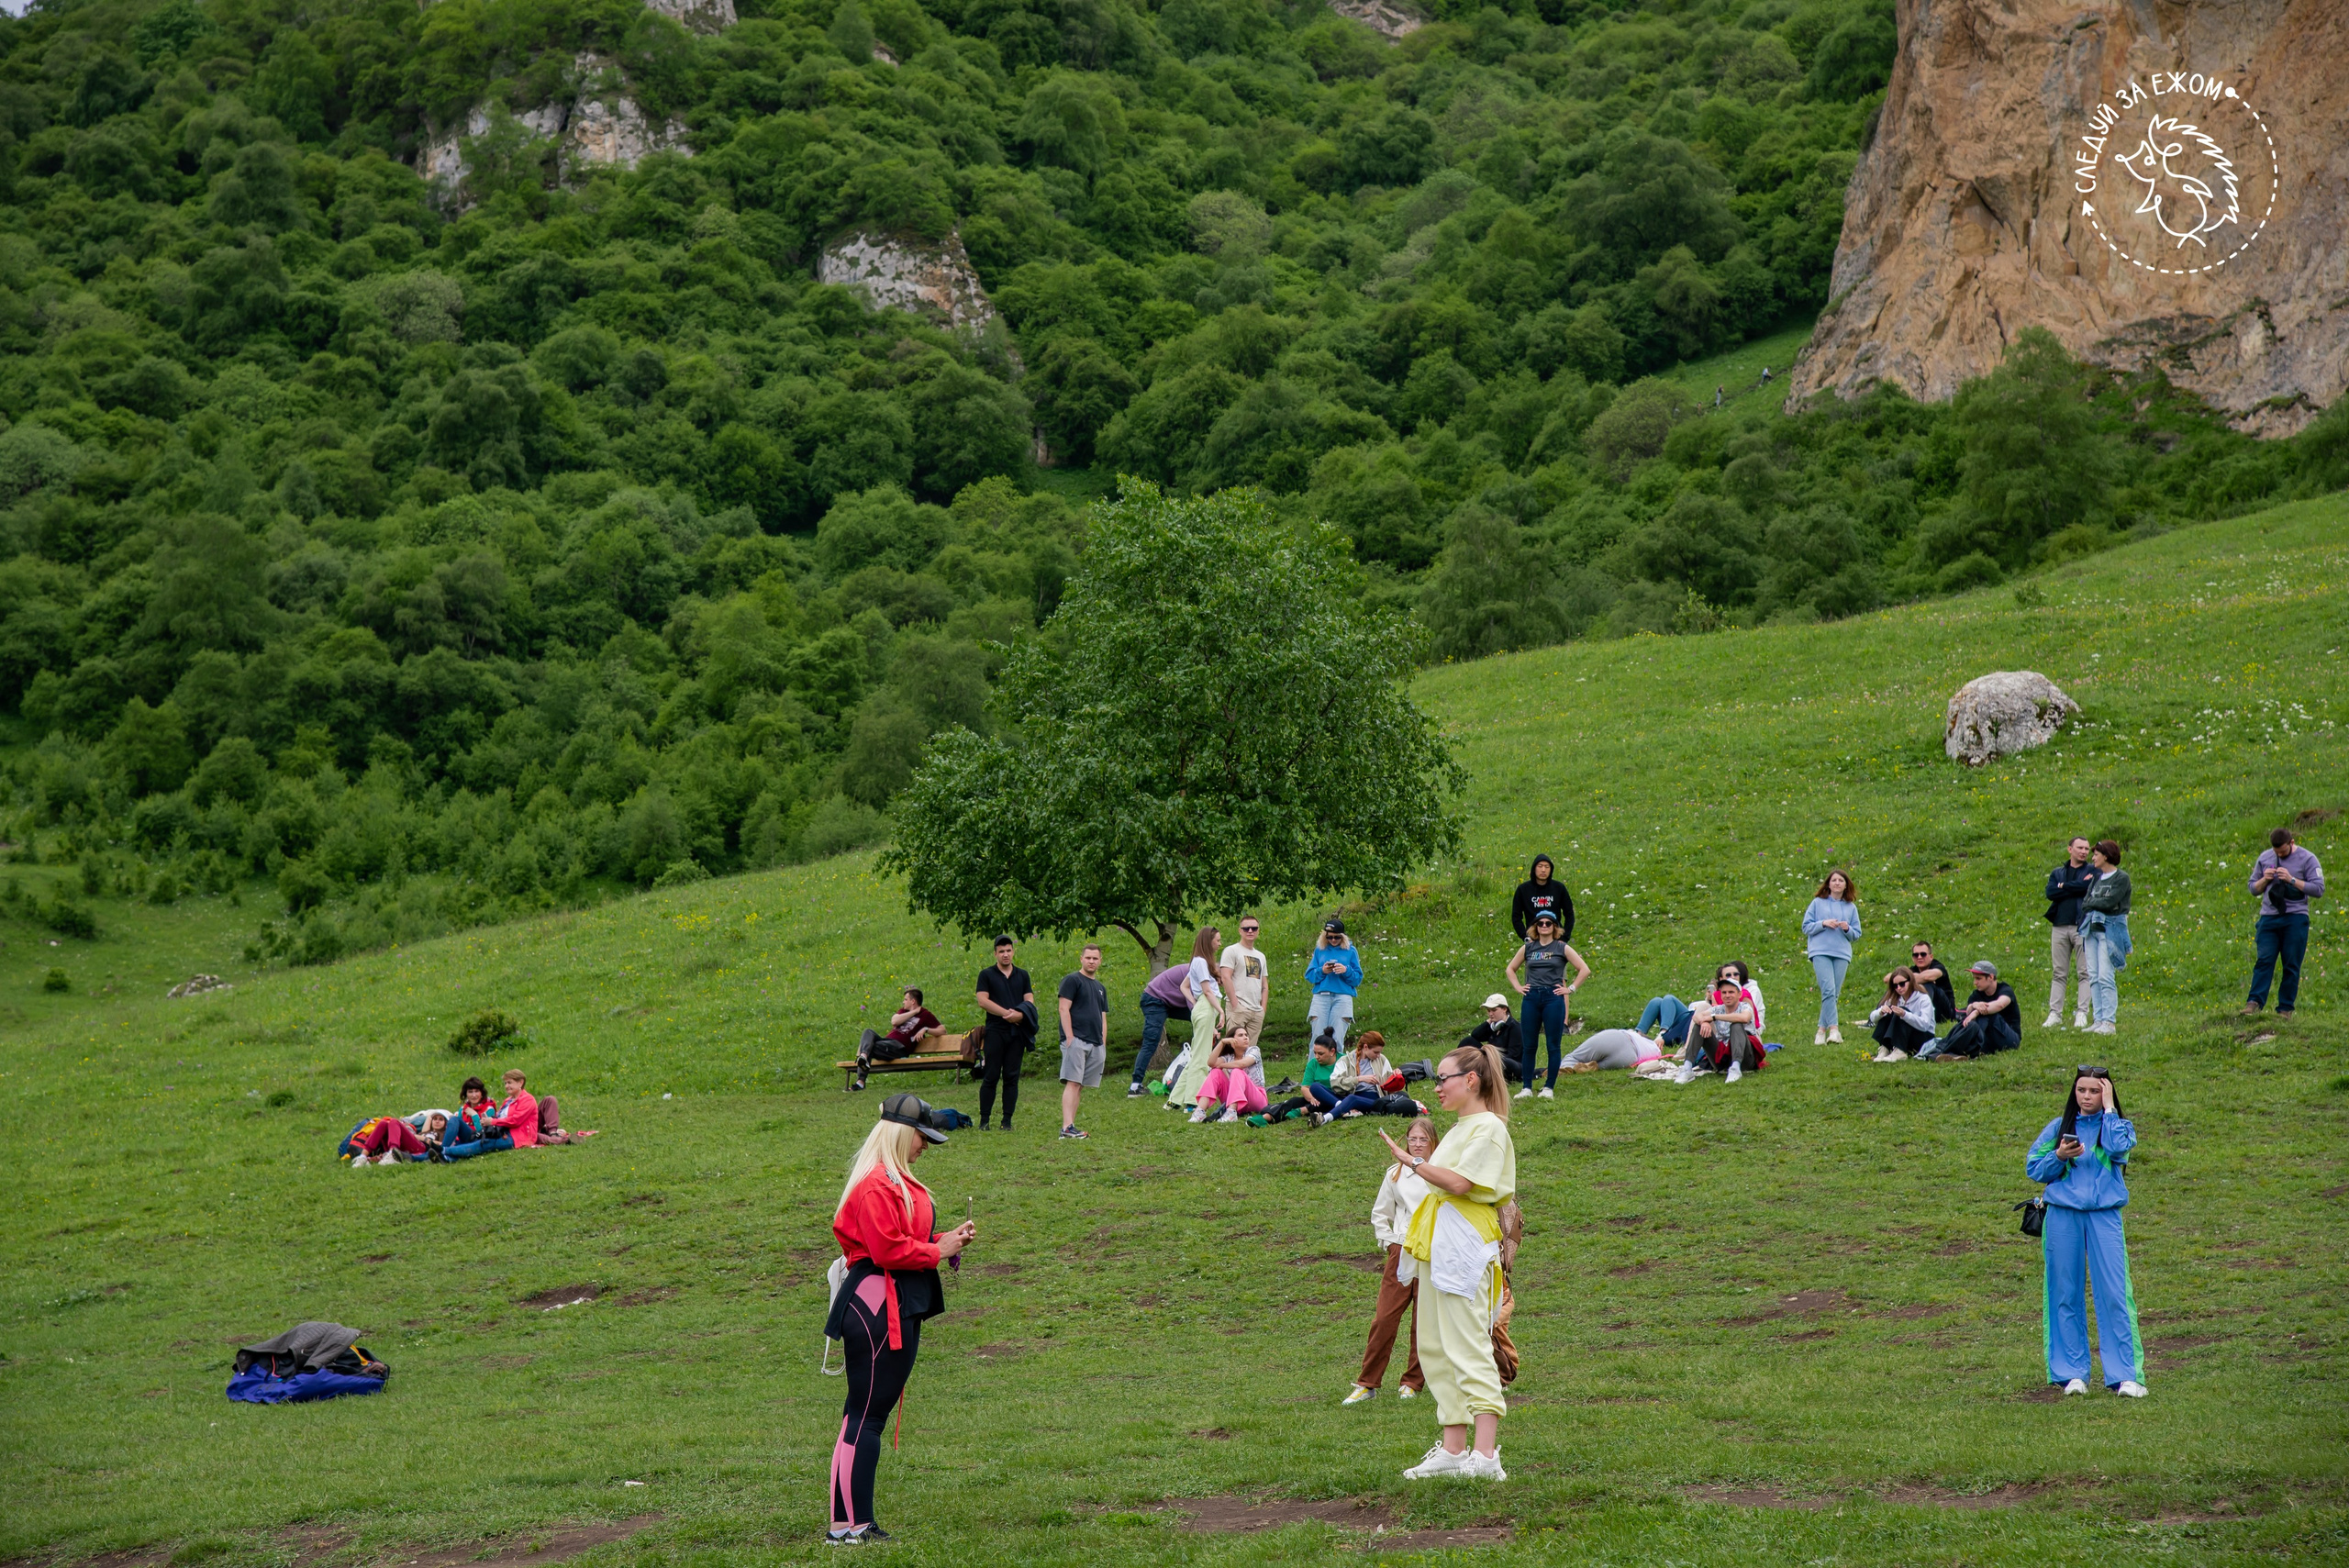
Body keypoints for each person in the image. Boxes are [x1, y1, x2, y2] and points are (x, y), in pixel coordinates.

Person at [824, 1093, 975, 1544]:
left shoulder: (891, 1181)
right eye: (921, 1138)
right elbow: (888, 1249)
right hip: (875, 1304)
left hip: (889, 1300)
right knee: (865, 1417)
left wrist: (941, 1241)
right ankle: (853, 1526)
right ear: (899, 1133)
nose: (924, 1146)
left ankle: (846, 1524)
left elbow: (900, 1239)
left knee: (863, 1415)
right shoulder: (876, 1183)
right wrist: (938, 1249)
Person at [1378, 1041, 1516, 1481]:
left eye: (1444, 1078)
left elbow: (1459, 1183)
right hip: (1439, 1243)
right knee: (1434, 1346)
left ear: (1470, 1080)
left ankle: (1486, 1456)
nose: (1437, 1086)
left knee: (1468, 1344)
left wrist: (1413, 1162)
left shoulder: (1489, 1128)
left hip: (1464, 1242)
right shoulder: (1459, 1128)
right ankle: (1454, 1452)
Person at [2025, 1067, 2144, 1397]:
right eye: (2081, 1090)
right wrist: (2059, 1156)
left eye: (2094, 1091)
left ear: (2105, 1093)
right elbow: (2033, 1166)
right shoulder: (2059, 1128)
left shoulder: (2118, 1126)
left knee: (2114, 1294)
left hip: (2105, 1217)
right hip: (2062, 1217)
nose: (2086, 1096)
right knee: (2064, 1292)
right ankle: (2071, 1374)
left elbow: (2120, 1147)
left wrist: (2109, 1109)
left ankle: (2127, 1376)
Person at [1343, 1115, 1433, 1406]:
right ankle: (1367, 1383)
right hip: (1402, 1251)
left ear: (1433, 1143)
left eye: (1423, 1140)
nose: (1417, 1145)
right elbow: (1381, 1213)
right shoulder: (1395, 1174)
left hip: (1433, 1254)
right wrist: (1390, 1241)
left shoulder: (1441, 1173)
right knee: (1384, 1318)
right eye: (1413, 1139)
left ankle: (1412, 1382)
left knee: (1424, 1321)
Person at [1505, 911, 1587, 1099]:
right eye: (1540, 923)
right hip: (1531, 997)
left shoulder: (1562, 947)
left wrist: (1571, 989)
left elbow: (1584, 969)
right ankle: (1526, 1087)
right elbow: (1510, 968)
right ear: (1535, 927)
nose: (1544, 926)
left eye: (1548, 923)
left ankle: (1549, 1087)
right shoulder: (1528, 947)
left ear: (1554, 927)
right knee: (1529, 1044)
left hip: (1553, 997)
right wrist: (1518, 987)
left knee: (1553, 1044)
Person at [2246, 828, 2322, 1017]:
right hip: (2269, 918)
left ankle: (2285, 1009)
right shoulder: (2265, 858)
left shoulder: (2308, 859)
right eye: (2276, 852)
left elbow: (2318, 889)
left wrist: (2292, 879)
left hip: (2295, 918)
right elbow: (2252, 888)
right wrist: (2265, 879)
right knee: (2264, 960)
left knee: (2291, 963)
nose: (2279, 855)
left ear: (2292, 843)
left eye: (2283, 851)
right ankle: (2254, 1002)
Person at [974, 936, 1036, 1132]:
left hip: (1017, 1032)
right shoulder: (987, 975)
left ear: (1013, 951)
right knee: (991, 1076)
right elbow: (982, 1001)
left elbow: (1030, 1001)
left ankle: (1006, 1121)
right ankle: (984, 1120)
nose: (1006, 954)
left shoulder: (1023, 975)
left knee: (1012, 1077)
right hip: (995, 1031)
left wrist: (1019, 1015)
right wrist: (1005, 1013)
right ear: (995, 954)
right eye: (1001, 951)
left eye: (1008, 950)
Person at [1163, 927, 1227, 1111]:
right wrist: (1220, 1011)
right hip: (1207, 1007)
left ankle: (1174, 1100)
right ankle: (1192, 1102)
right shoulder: (1200, 962)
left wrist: (1195, 1002)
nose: (1219, 944)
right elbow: (1207, 991)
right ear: (1208, 941)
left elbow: (1184, 986)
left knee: (1196, 1055)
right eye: (1217, 940)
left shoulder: (1198, 962)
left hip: (1203, 1007)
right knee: (1202, 1057)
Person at [1056, 944, 1110, 1141]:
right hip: (1076, 1040)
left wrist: (1102, 1042)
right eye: (1088, 958)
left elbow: (1102, 1017)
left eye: (1095, 958)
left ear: (1100, 961)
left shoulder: (1100, 988)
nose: (1091, 961)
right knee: (1072, 1082)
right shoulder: (1072, 980)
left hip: (1095, 1043)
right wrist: (1069, 1038)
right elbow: (1064, 1009)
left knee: (1080, 1085)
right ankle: (1066, 1127)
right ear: (1081, 959)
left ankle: (1071, 1125)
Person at [1801, 870, 1861, 1044]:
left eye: (1840, 880)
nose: (1837, 883)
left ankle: (1821, 1031)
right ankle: (1834, 1030)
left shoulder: (1851, 907)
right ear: (1828, 884)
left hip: (1842, 953)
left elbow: (1856, 934)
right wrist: (1823, 923)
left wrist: (1847, 928)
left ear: (1845, 885)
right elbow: (1806, 927)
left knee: (1833, 994)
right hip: (1820, 952)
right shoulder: (1817, 903)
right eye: (1833, 880)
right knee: (1828, 989)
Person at [2078, 841, 2131, 1037]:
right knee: (2093, 975)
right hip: (2092, 930)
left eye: (2096, 854)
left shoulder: (2121, 878)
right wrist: (2095, 904)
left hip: (2110, 930)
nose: (2092, 858)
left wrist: (2094, 903)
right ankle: (2098, 1019)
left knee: (2105, 976)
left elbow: (2110, 902)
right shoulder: (2097, 878)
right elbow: (2085, 904)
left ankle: (2109, 1022)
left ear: (2106, 856)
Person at [2043, 837, 2097, 1029]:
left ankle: (2082, 1013)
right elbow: (2050, 892)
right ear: (2069, 849)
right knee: (2059, 972)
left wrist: (2063, 887)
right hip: (2059, 926)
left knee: (2084, 972)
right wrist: (2072, 887)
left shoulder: (2092, 870)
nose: (2084, 852)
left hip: (2081, 926)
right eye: (2080, 848)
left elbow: (2087, 887)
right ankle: (2054, 1014)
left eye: (2087, 849)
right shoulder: (2058, 872)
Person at [1672, 964, 1757, 1084]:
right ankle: (1687, 1068)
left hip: (1745, 1058)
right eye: (1724, 993)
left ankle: (1736, 1068)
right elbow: (1697, 1016)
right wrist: (1704, 1022)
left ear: (1739, 994)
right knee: (1699, 1025)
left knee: (1736, 1025)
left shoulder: (1744, 1006)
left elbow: (1744, 1018)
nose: (1727, 995)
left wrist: (1713, 1017)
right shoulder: (1718, 1009)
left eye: (1731, 992)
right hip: (1721, 1056)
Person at [1921, 962, 2022, 1059]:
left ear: (1991, 977)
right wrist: (1974, 1005)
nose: (1975, 983)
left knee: (1987, 1014)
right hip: (1988, 1040)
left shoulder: (2004, 990)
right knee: (1970, 1023)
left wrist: (1977, 1011)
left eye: (1978, 978)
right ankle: (1947, 1049)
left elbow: (2000, 1005)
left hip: (2010, 1039)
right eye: (1974, 979)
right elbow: (1969, 1011)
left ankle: (1949, 1049)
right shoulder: (1976, 994)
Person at [854, 988, 944, 1091]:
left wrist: (926, 1029)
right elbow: (894, 1021)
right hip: (887, 1044)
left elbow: (942, 1030)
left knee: (869, 1047)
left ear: (913, 1001)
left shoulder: (925, 1015)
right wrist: (914, 1012)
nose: (903, 1002)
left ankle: (860, 1081)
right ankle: (863, 1057)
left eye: (906, 999)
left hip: (899, 1047)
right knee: (868, 1032)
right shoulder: (903, 1011)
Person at [1130, 958, 1194, 1096]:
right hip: (1154, 999)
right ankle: (1135, 1087)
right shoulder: (1200, 971)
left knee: (1202, 1020)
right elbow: (1192, 1001)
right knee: (1151, 1041)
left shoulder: (1206, 971)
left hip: (1168, 1001)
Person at [1256, 1033, 1340, 1125]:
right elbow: (1305, 1087)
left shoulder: (1343, 1061)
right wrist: (1312, 1099)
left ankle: (1303, 1110)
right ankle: (1266, 1117)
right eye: (1315, 1053)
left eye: (1320, 1054)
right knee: (1294, 1101)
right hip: (1316, 1098)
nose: (1316, 1057)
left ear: (1332, 1052)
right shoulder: (1313, 1064)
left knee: (1325, 1101)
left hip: (1337, 1097)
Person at [1306, 919, 1362, 1052]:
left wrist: (1345, 970)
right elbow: (1310, 976)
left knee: (1337, 1039)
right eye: (1329, 937)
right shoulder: (1320, 950)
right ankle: (1314, 1072)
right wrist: (1322, 971)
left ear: (1342, 936)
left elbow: (1357, 979)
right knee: (1317, 1038)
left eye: (1337, 937)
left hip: (1342, 996)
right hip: (1321, 996)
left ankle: (1337, 1072)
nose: (1333, 940)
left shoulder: (1350, 951)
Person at [1218, 917, 1272, 1052]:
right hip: (1239, 1007)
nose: (1250, 931)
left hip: (1256, 1010)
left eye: (1254, 928)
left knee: (1250, 1052)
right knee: (1231, 1049)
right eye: (1246, 928)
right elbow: (1225, 977)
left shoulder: (1261, 956)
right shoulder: (1232, 951)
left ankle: (1244, 1074)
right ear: (1239, 931)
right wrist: (1235, 1005)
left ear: (1258, 931)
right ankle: (1227, 1074)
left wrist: (1262, 1009)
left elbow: (1264, 984)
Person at [1190, 1030, 1267, 1123]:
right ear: (1232, 1040)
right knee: (1215, 1072)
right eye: (1241, 1035)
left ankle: (1231, 1113)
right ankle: (1199, 1112)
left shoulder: (1254, 1050)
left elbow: (1242, 1064)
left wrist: (1223, 1065)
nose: (1245, 1037)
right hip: (1235, 1098)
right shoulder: (1228, 1057)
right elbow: (1211, 1063)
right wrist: (1222, 1042)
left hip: (1257, 1100)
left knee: (1237, 1071)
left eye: (1246, 1035)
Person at [1325, 1030, 1398, 1119]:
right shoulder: (1346, 1060)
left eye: (1380, 1052)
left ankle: (1325, 1118)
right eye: (1376, 1052)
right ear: (1366, 1047)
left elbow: (1391, 1088)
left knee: (1352, 1099)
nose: (1378, 1055)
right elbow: (1335, 1083)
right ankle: (1344, 1106)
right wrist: (1359, 1079)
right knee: (1315, 1087)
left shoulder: (1382, 1060)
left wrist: (1397, 1076)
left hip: (1372, 1099)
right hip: (1349, 1095)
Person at [1867, 967, 1936, 1062]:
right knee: (1888, 1012)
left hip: (1924, 1039)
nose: (1899, 988)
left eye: (1902, 984)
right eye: (1895, 986)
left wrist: (1905, 1014)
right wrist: (1881, 1012)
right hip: (1905, 1038)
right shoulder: (1895, 998)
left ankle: (1900, 1051)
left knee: (1901, 1013)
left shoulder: (1923, 998)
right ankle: (1885, 1048)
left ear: (1910, 981)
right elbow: (1873, 1019)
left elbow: (1925, 1025)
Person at [443, 1077, 511, 1161]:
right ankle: (441, 1152)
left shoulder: (489, 1109)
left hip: (478, 1140)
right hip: (464, 1140)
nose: (474, 1095)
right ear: (466, 1094)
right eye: (470, 1092)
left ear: (482, 1093)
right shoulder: (463, 1109)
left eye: (476, 1091)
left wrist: (474, 1116)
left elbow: (484, 1132)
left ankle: (441, 1151)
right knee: (454, 1119)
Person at [1509, 854, 1574, 943]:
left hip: (1555, 938)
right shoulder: (1523, 890)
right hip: (1533, 938)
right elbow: (1516, 917)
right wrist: (1525, 937)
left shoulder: (1559, 888)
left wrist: (1564, 938)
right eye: (1540, 866)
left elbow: (1569, 914)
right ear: (1534, 869)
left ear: (1551, 869)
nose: (1543, 870)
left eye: (1547, 867)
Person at [1458, 995, 1524, 1079]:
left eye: (1494, 1010)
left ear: (1504, 1009)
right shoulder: (1494, 1026)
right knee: (1467, 1041)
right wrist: (1488, 1022)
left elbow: (1513, 1055)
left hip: (1510, 1065)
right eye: (1488, 1011)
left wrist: (1490, 1058)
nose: (1490, 1014)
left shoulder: (1515, 1027)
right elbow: (1475, 1035)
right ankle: (1460, 1070)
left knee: (1504, 1061)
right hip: (1491, 1060)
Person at [343, 1111, 442, 1165]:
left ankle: (391, 1154)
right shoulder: (425, 1130)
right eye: (435, 1119)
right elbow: (429, 1117)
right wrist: (423, 1136)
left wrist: (427, 1140)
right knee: (383, 1123)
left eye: (441, 1120)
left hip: (420, 1148)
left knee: (394, 1122)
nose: (437, 1121)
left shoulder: (443, 1134)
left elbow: (443, 1146)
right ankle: (363, 1157)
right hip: (408, 1143)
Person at [1560, 1027, 1664, 1073]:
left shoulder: (1632, 1033)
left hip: (1617, 1038)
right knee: (1597, 1067)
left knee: (1573, 1057)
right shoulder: (1655, 1050)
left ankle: (1564, 1068)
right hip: (1629, 1058)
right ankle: (1587, 1068)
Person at [485, 1069, 541, 1148]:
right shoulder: (508, 1100)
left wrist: (493, 1122)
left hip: (518, 1138)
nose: (506, 1086)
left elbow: (515, 1121)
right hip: (503, 1133)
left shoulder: (528, 1099)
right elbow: (500, 1116)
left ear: (520, 1083)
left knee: (482, 1144)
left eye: (509, 1083)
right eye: (505, 1083)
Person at [1904, 942, 1955, 1027]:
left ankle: (1924, 1018)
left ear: (1931, 957)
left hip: (1945, 1013)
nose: (1919, 957)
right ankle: (1881, 1013)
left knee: (1928, 984)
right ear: (1913, 958)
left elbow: (1927, 977)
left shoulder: (1938, 966)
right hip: (1924, 1010)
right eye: (1916, 955)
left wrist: (1910, 979)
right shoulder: (1913, 970)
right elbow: (1889, 978)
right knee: (1898, 985)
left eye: (1923, 954)